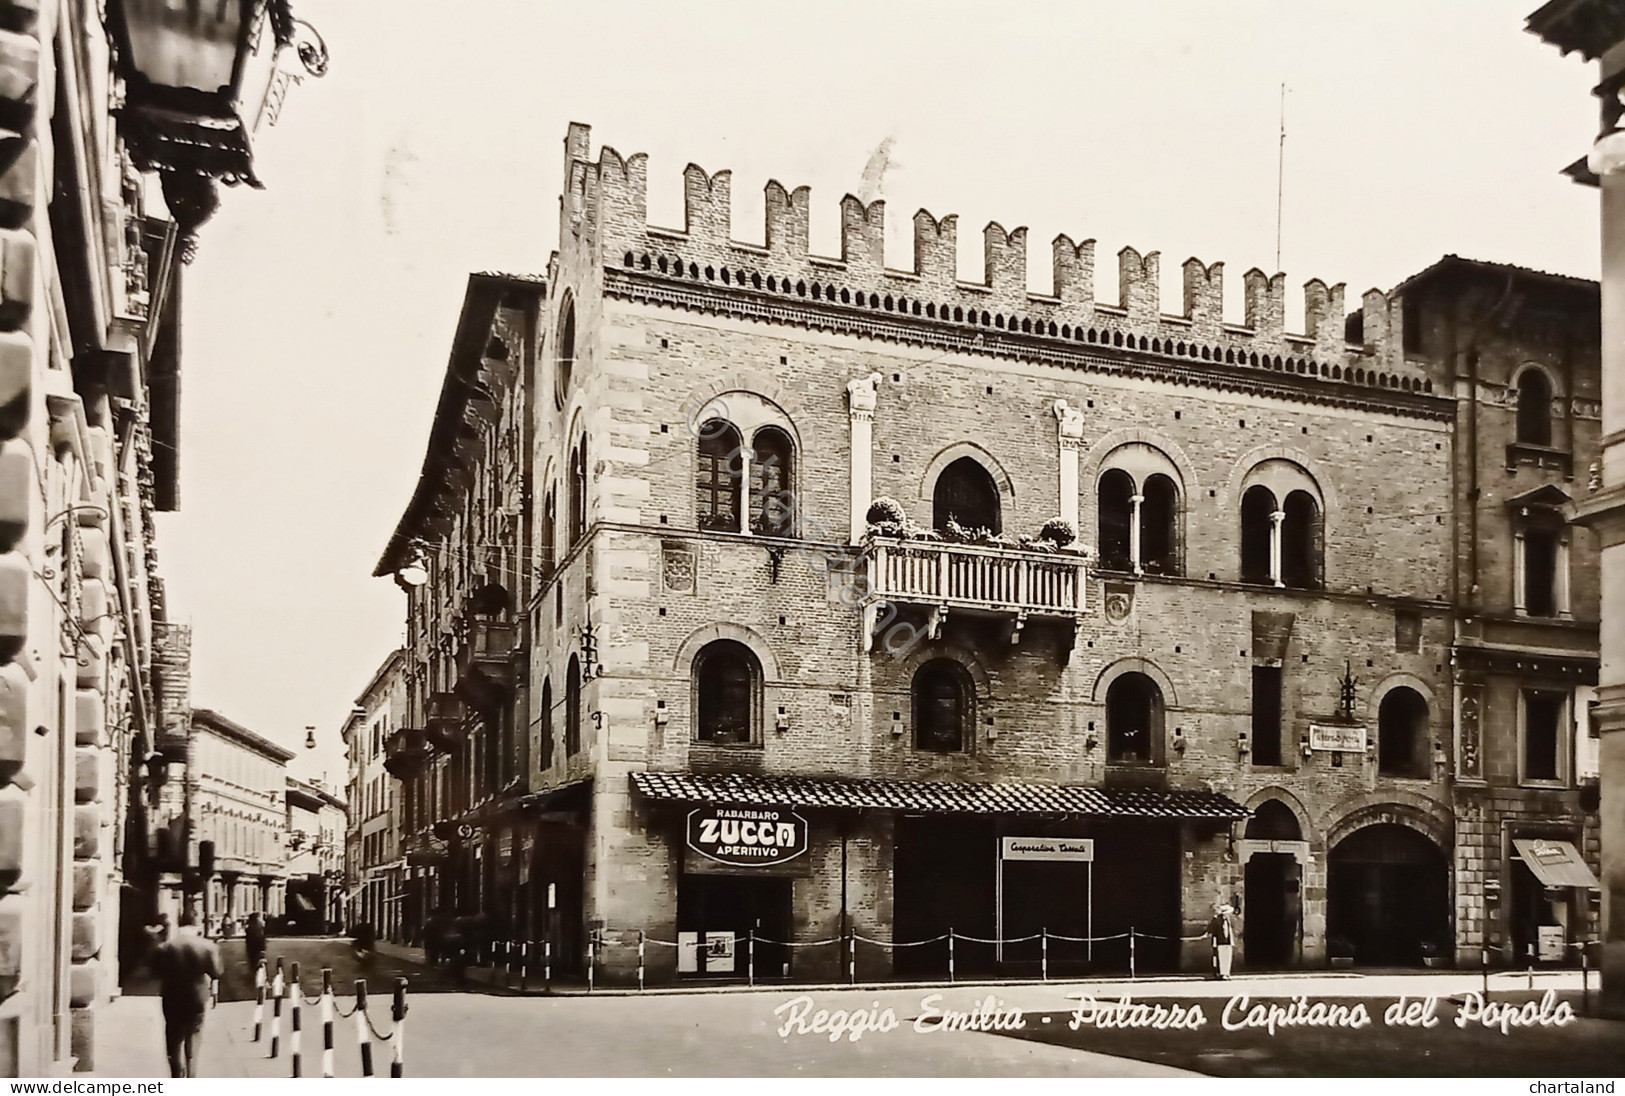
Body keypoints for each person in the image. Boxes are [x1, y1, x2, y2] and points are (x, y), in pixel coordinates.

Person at [148, 910, 222, 1078]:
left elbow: (154, 973)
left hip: (172, 996)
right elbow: (217, 972)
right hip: (196, 997)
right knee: (194, 1035)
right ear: (196, 926)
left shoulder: (165, 948)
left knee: (173, 1036)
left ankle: (176, 1074)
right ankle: (191, 1074)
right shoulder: (208, 947)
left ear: (179, 925)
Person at [1207, 903, 1237, 981]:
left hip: (1228, 941)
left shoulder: (1227, 920)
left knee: (1228, 958)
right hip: (1221, 941)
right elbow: (1211, 928)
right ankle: (1223, 973)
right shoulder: (1217, 920)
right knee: (1222, 958)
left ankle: (1227, 973)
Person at [243, 912, 266, 979]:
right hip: (257, 946)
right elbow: (262, 937)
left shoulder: (251, 925)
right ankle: (257, 974)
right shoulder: (258, 925)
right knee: (257, 960)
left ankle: (254, 973)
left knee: (253, 961)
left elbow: (248, 935)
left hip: (252, 947)